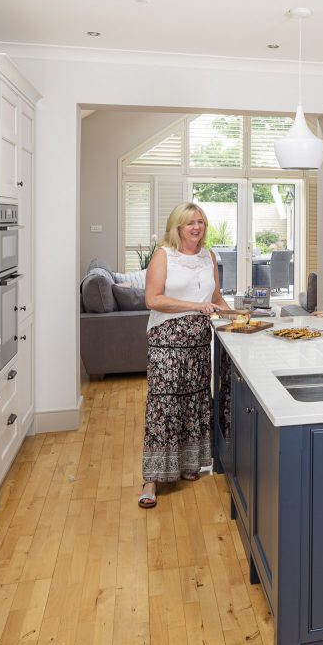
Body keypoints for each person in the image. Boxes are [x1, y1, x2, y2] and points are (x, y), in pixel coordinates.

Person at [138, 202, 227, 509]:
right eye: (190, 222)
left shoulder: (209, 256)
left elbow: (215, 299)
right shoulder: (164, 255)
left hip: (199, 341)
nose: (196, 227)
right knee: (164, 405)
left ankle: (190, 463)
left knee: (194, 401)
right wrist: (193, 307)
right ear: (177, 227)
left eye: (200, 222)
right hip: (167, 341)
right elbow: (153, 299)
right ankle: (151, 479)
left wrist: (242, 317)